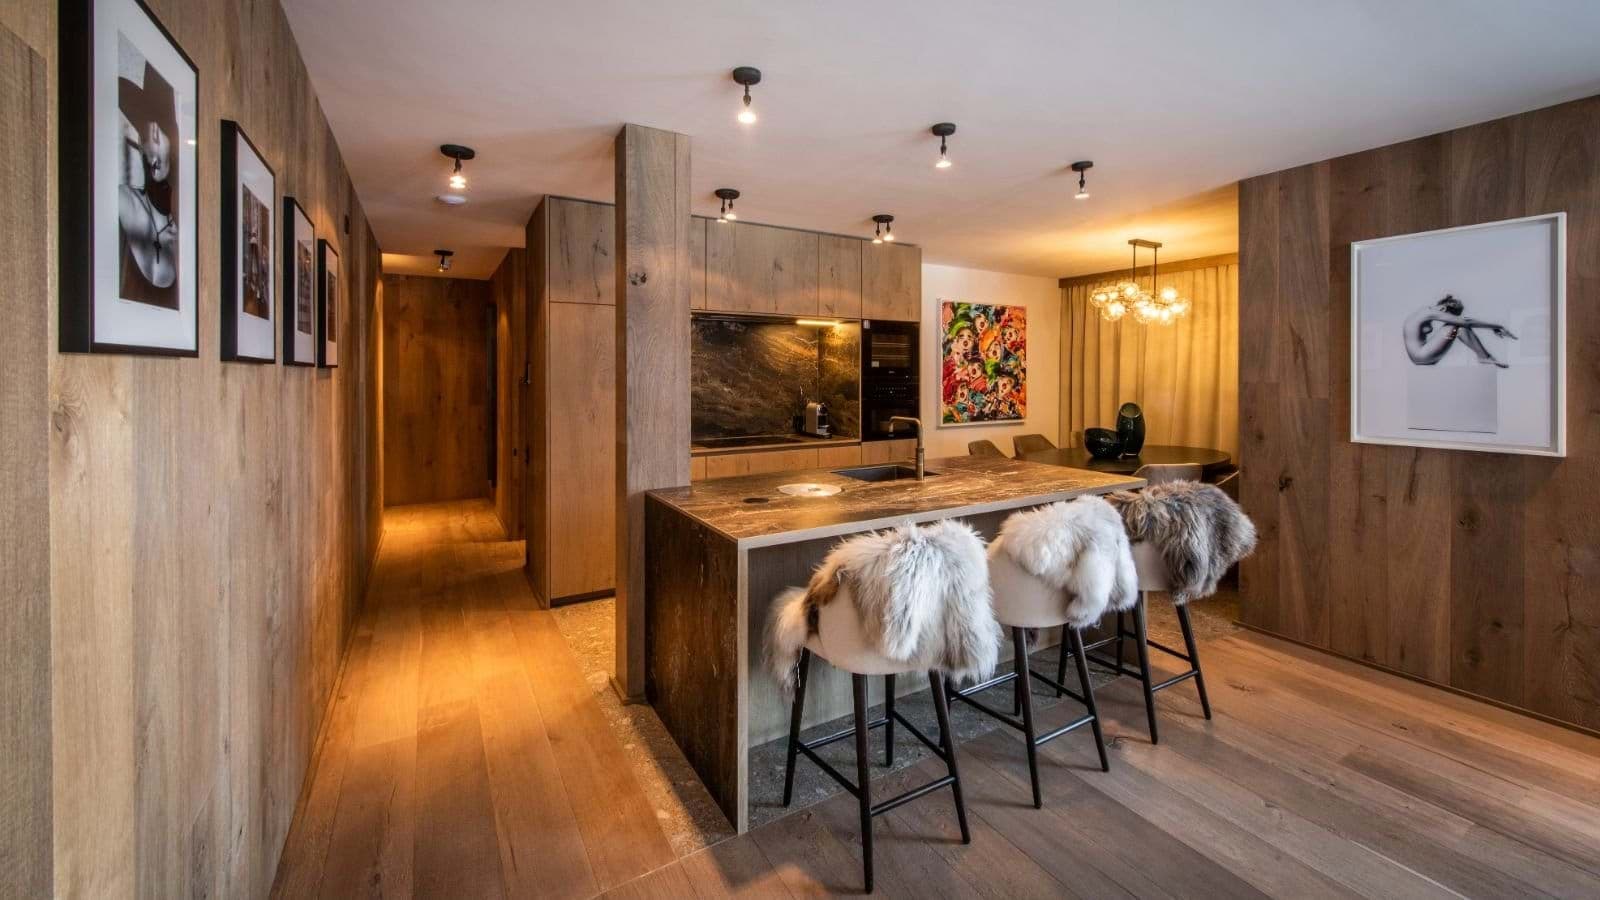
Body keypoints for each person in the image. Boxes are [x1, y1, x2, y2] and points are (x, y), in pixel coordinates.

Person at [1402, 295, 1517, 368]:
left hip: (1424, 357)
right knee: (1459, 325)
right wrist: (1497, 326)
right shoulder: (1428, 312)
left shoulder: (1424, 312)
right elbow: (1466, 322)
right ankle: (1484, 357)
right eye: (1451, 315)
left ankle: (1484, 357)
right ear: (1443, 309)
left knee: (1459, 328)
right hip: (1422, 356)